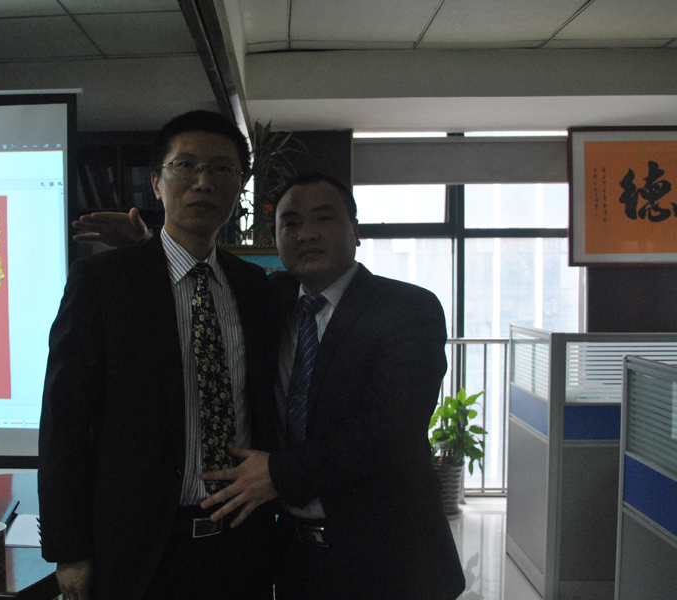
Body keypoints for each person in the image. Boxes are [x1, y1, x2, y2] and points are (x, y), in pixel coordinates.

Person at [78, 171, 466, 599]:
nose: (307, 233)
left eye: (323, 218)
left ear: (355, 230)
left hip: (391, 562)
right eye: (291, 223)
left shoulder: (407, 309)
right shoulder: (272, 299)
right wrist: (146, 246)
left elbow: (389, 428)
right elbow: (199, 279)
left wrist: (278, 473)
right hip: (297, 562)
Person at [37, 110, 279, 600]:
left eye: (222, 169)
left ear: (239, 187)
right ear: (156, 183)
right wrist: (69, 550)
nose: (203, 182)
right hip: (138, 550)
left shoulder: (257, 289)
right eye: (185, 165)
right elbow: (64, 422)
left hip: (241, 542)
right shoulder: (104, 284)